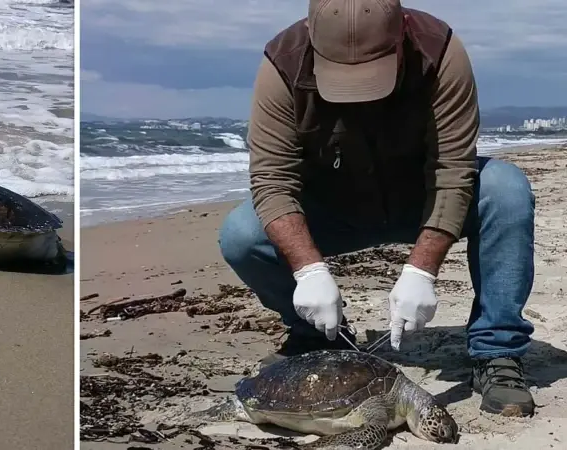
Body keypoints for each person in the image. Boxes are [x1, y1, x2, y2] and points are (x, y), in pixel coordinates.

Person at [218, 0, 536, 417]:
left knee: (506, 189)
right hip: (334, 207)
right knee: (242, 234)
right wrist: (309, 272)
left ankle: (497, 351)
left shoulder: (440, 52)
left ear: (401, 34)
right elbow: (273, 180)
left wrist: (421, 270)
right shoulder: (283, 62)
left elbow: (453, 170)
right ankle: (316, 337)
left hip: (419, 203)